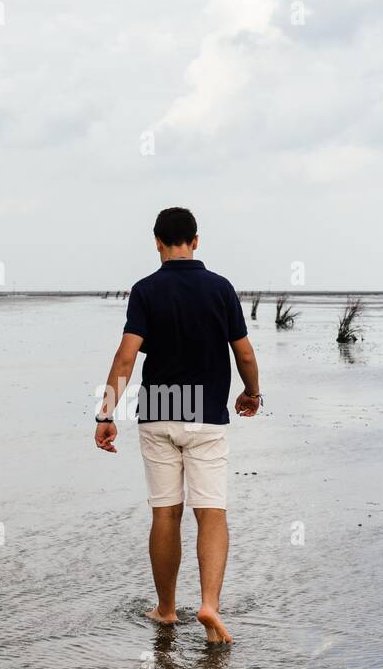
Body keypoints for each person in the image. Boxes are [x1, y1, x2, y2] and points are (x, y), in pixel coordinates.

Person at [93, 207, 262, 644]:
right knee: (211, 512)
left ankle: (166, 610)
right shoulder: (220, 289)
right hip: (207, 415)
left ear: (157, 242)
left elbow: (126, 357)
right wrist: (252, 394)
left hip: (159, 412)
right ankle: (209, 604)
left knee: (165, 512)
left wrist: (106, 413)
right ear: (196, 240)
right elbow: (244, 354)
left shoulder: (145, 291)